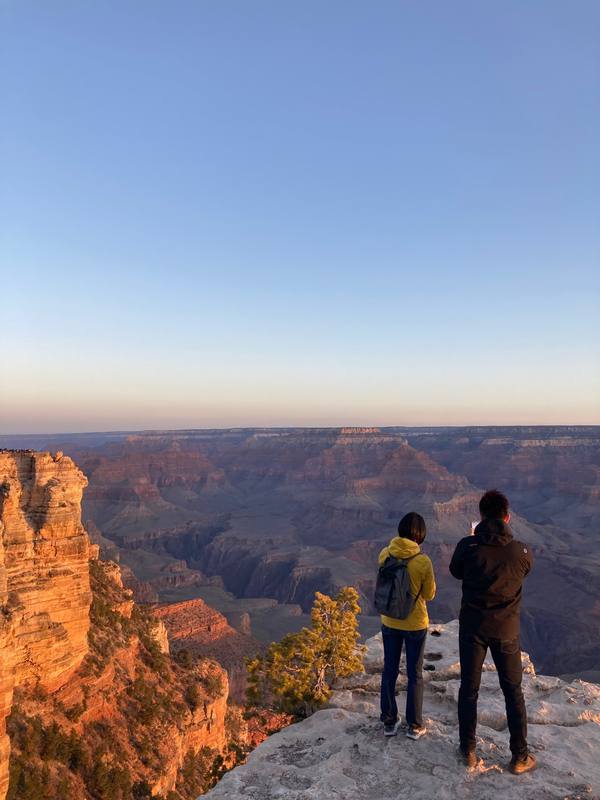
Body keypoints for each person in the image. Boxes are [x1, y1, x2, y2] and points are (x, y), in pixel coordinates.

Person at [449, 489, 535, 774]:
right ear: (508, 517)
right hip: (506, 631)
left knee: (469, 690)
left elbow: (456, 571)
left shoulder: (467, 546)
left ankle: (469, 750)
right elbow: (524, 571)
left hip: (472, 628)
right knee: (513, 691)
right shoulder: (521, 551)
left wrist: (473, 541)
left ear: (481, 516)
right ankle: (520, 756)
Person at [378, 512, 436, 740]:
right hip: (415, 624)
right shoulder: (423, 561)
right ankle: (414, 725)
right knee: (415, 673)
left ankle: (389, 722)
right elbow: (429, 594)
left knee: (389, 670)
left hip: (390, 620)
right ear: (420, 535)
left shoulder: (385, 554)